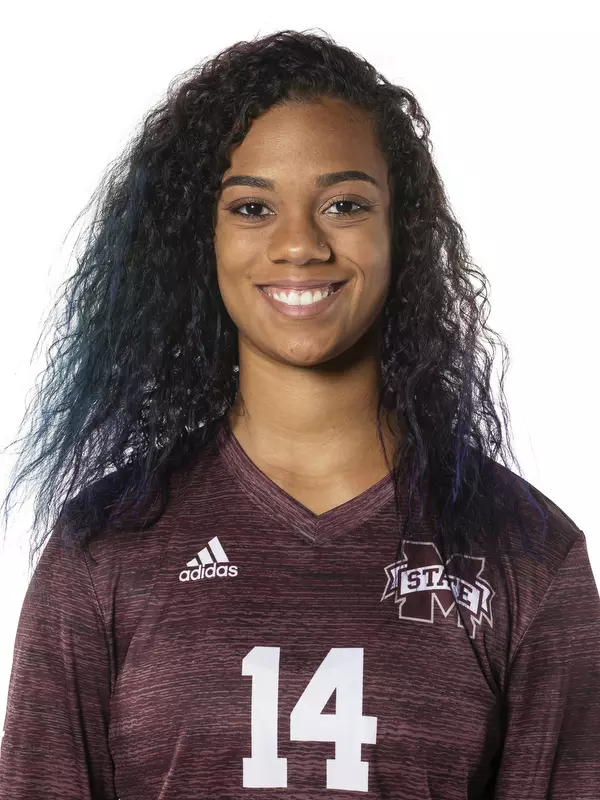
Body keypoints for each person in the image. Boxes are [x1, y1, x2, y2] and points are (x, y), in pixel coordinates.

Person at [0, 28, 598, 800]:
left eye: (344, 204)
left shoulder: (526, 555)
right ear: (199, 239)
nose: (299, 245)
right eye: (252, 207)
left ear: (400, 233)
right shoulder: (107, 544)